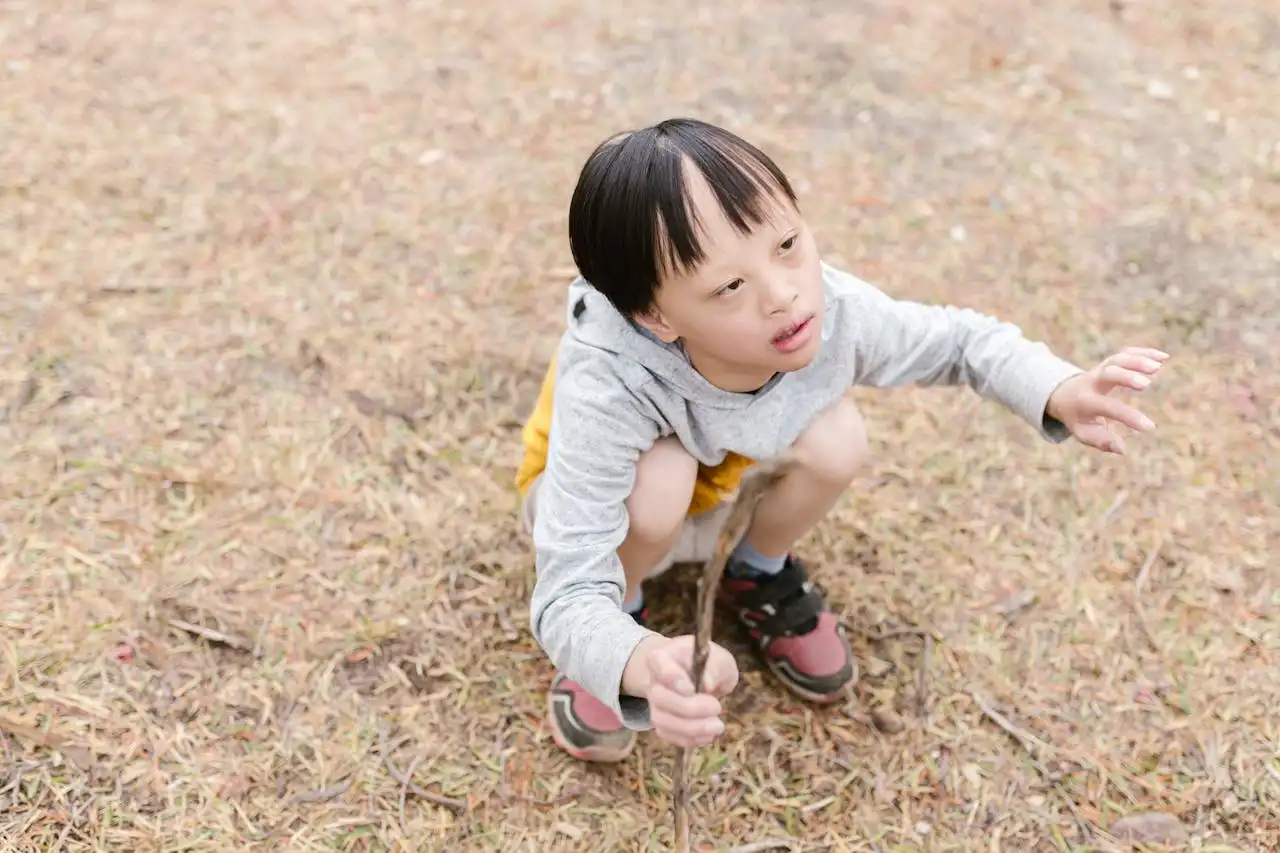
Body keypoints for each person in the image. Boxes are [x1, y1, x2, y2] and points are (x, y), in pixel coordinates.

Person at [514, 118, 1168, 763]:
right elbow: (565, 588)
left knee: (837, 435)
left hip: (727, 477)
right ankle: (623, 606)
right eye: (730, 286)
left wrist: (1057, 387)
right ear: (655, 316)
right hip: (616, 508)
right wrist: (631, 658)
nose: (784, 294)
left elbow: (961, 341)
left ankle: (757, 568)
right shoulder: (610, 379)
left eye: (788, 244)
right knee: (657, 485)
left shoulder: (835, 311)